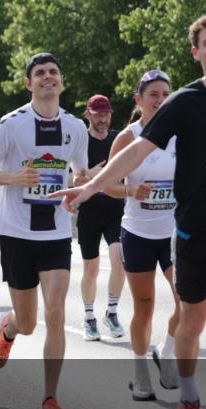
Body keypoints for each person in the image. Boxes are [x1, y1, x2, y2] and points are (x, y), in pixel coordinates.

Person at [52, 14, 206, 409]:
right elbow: (138, 150)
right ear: (197, 53)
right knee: (191, 320)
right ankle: (189, 398)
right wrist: (94, 186)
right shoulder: (183, 103)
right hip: (194, 231)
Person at [0, 52, 89, 409]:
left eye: (53, 72)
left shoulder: (76, 127)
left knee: (55, 314)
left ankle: (50, 398)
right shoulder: (11, 124)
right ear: (29, 83)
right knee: (28, 323)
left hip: (56, 233)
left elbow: (80, 174)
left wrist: (77, 190)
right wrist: (14, 178)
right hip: (17, 233)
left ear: (62, 81)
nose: (47, 77)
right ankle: (9, 328)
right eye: (39, 73)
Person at [100, 71, 182, 400]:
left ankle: (166, 349)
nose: (160, 99)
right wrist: (131, 189)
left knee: (187, 302)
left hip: (175, 233)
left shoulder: (181, 135)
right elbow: (106, 185)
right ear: (139, 100)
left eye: (165, 93)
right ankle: (139, 372)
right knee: (145, 306)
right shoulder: (128, 137)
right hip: (138, 233)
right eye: (153, 94)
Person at [76, 95, 126, 340]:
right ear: (88, 114)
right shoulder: (79, 140)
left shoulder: (119, 138)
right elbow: (69, 176)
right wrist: (89, 175)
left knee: (120, 261)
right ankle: (89, 317)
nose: (103, 118)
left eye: (106, 114)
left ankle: (112, 312)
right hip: (89, 212)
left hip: (115, 210)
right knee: (91, 268)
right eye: (98, 114)